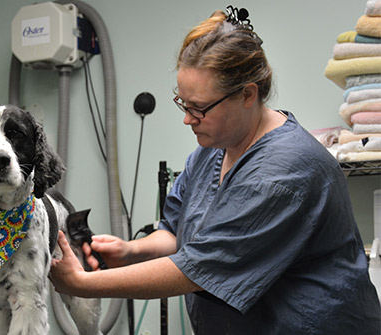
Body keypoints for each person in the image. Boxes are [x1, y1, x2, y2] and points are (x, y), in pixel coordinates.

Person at [49, 6, 381, 334]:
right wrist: (133, 250)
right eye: (183, 103)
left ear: (247, 95)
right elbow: (177, 232)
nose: (187, 119)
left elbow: (195, 270)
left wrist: (83, 284)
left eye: (199, 108)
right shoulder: (213, 150)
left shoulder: (285, 173)